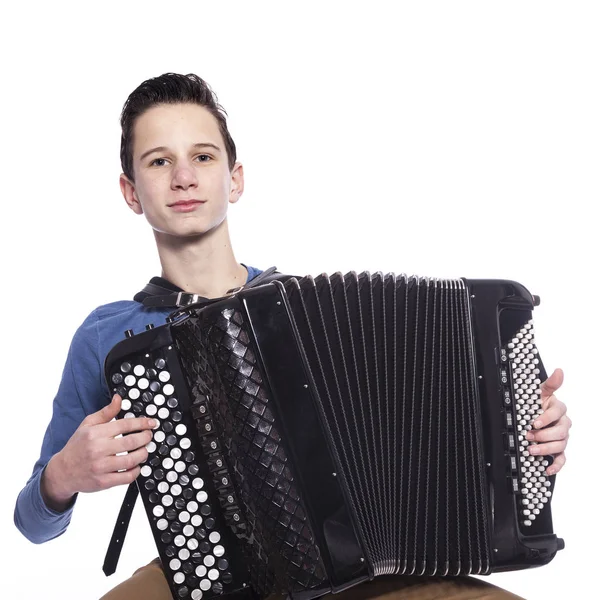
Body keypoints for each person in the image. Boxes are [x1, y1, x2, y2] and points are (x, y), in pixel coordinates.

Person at [14, 73, 572, 600]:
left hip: (359, 572)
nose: (183, 177)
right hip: (209, 574)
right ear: (131, 191)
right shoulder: (109, 334)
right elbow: (31, 523)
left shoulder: (305, 309)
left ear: (234, 180)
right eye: (159, 162)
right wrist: (64, 475)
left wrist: (523, 434)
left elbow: (434, 426)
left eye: (202, 157)